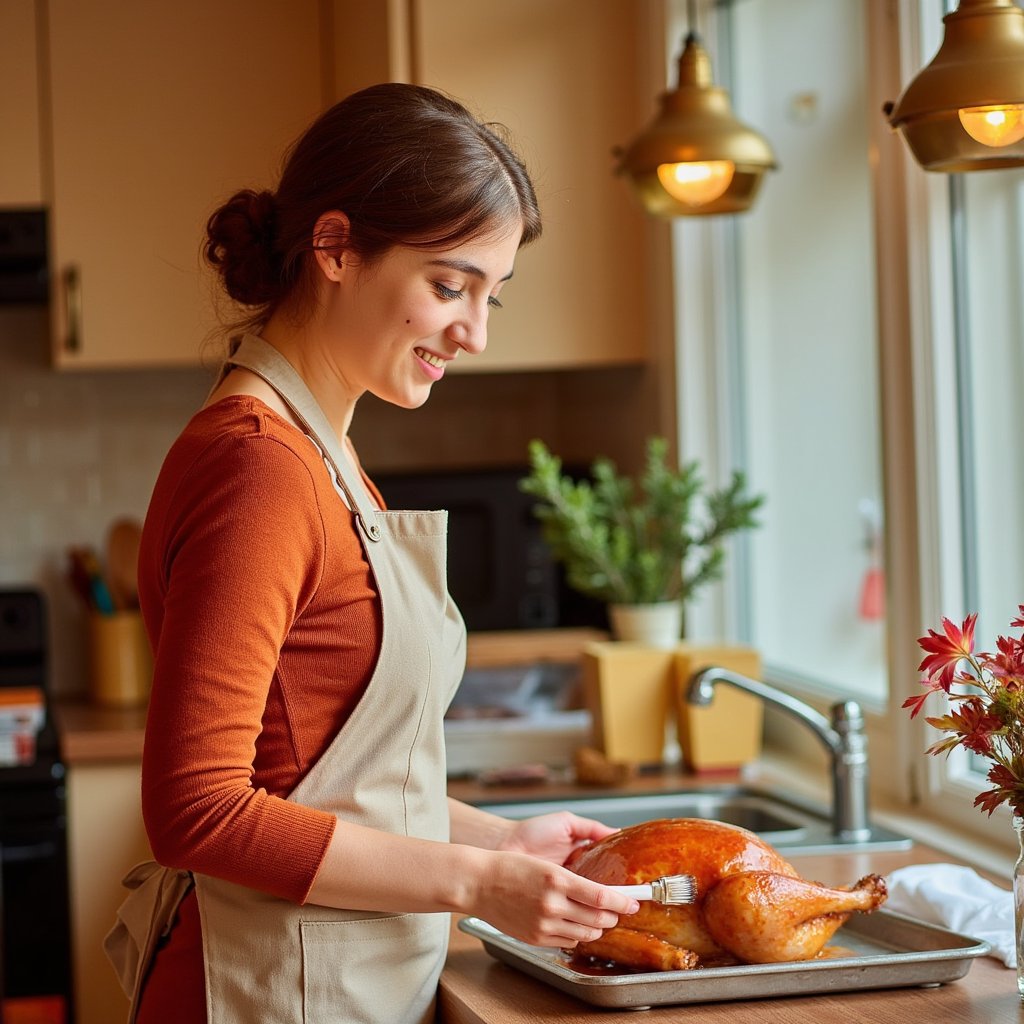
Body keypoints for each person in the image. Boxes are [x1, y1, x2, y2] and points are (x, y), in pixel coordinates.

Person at [105, 83, 638, 1024]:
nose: (473, 332)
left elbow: (329, 784)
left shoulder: (324, 450)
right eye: (448, 286)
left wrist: (500, 847)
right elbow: (200, 808)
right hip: (268, 993)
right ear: (336, 246)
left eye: (491, 296)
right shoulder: (261, 469)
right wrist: (472, 884)